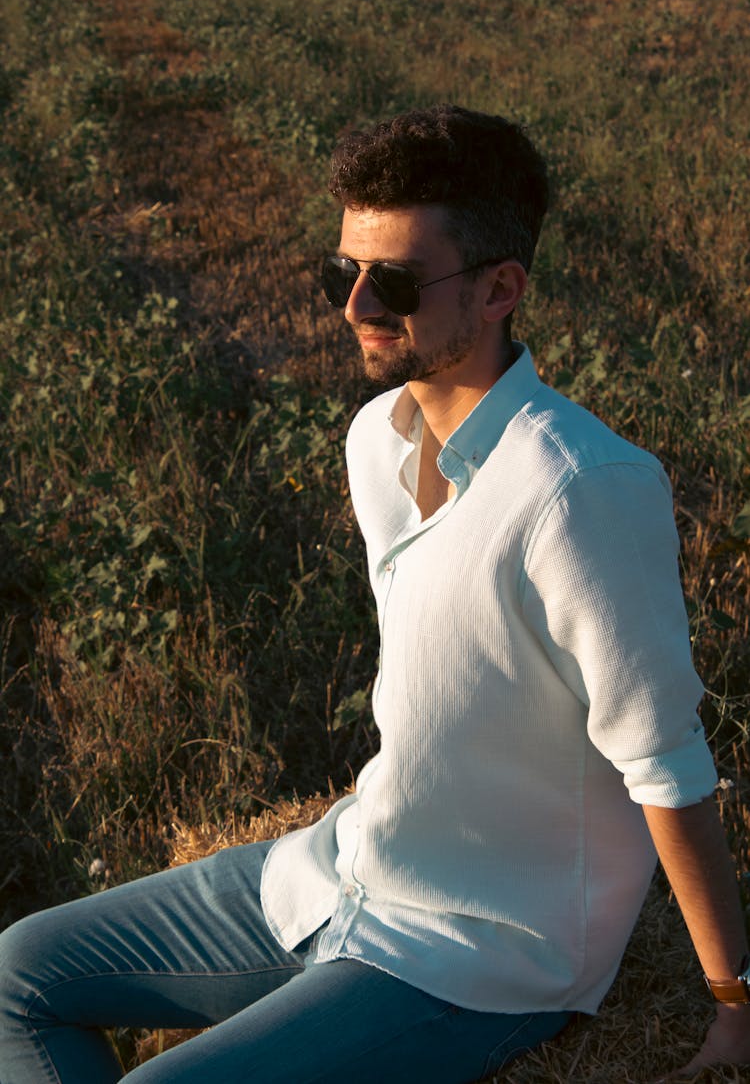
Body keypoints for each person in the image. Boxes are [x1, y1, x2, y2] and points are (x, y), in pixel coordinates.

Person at [0, 105, 747, 1084]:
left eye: (391, 282)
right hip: (346, 869)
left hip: (479, 950)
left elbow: (665, 762)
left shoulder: (580, 490)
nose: (353, 307)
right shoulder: (376, 439)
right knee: (18, 969)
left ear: (499, 291)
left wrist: (734, 999)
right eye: (339, 272)